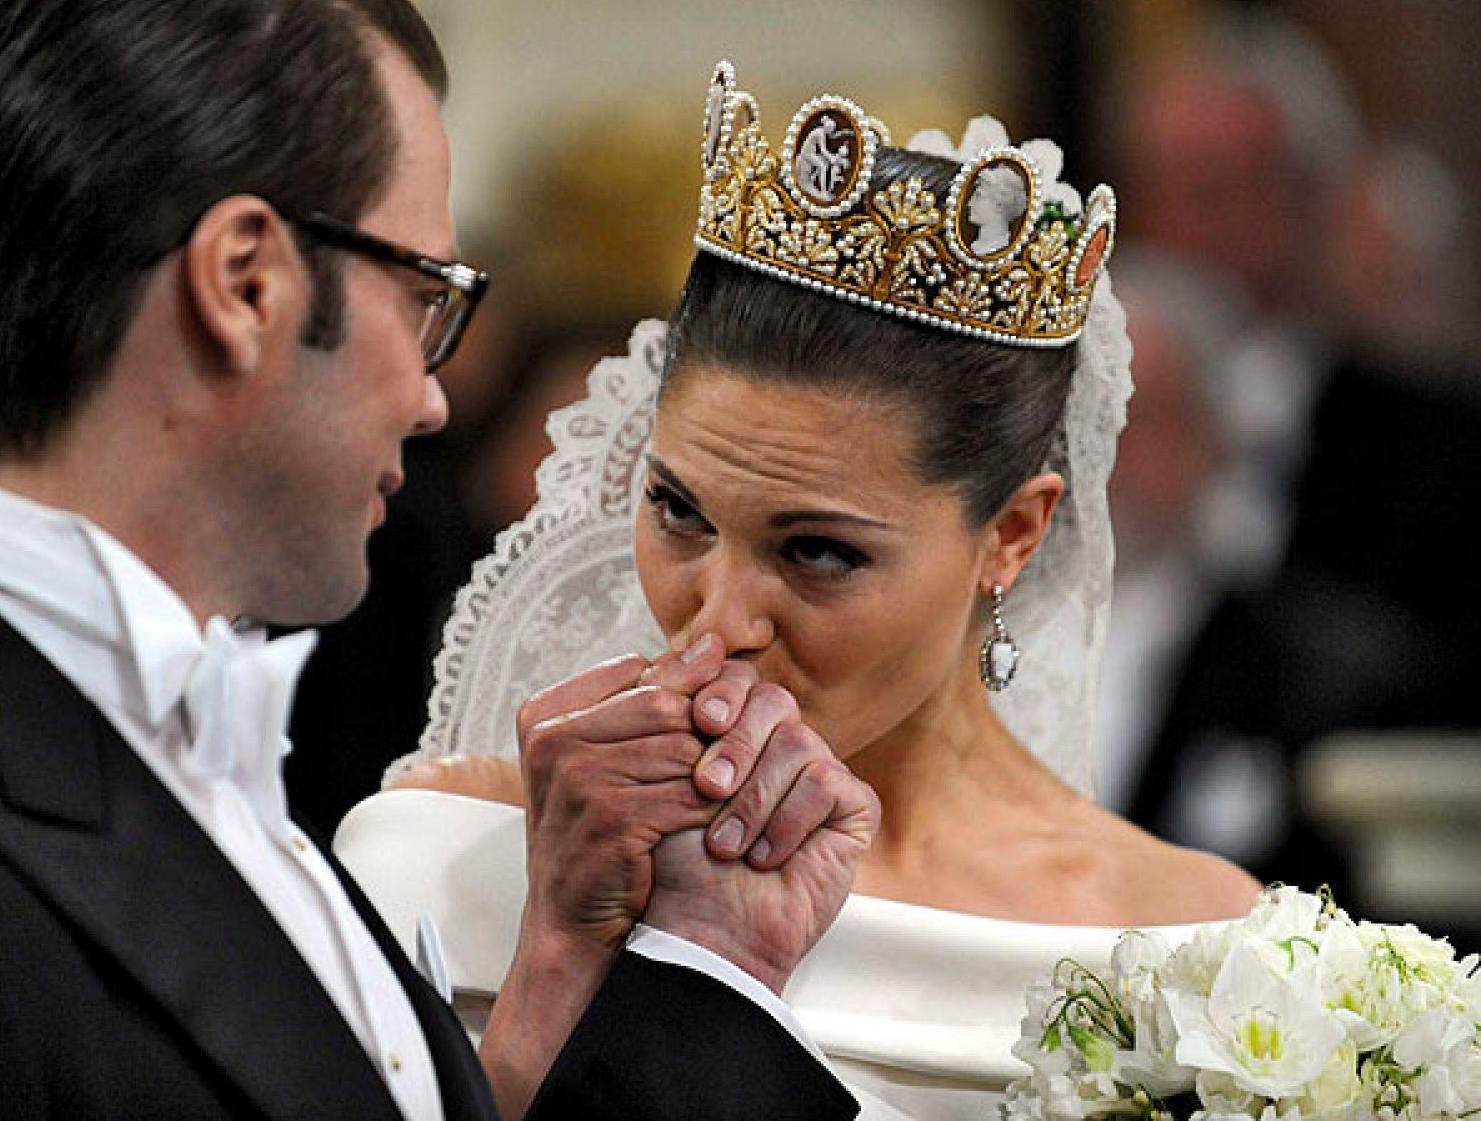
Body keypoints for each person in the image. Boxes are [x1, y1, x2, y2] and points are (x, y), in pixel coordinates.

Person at [0, 0, 880, 1119]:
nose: (433, 394)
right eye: (423, 297)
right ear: (245, 282)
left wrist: (658, 967)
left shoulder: (158, 738)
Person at [339, 62, 1260, 1120]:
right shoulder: (450, 855)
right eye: (678, 511)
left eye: (817, 552)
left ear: (1010, 534)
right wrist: (555, 957)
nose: (718, 620)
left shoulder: (1196, 947)